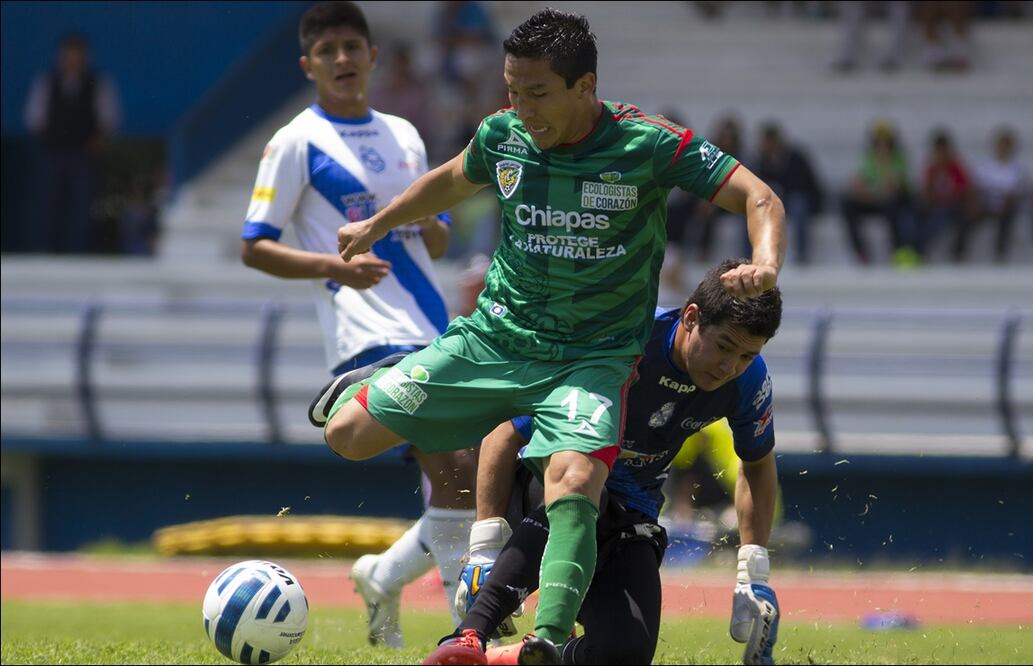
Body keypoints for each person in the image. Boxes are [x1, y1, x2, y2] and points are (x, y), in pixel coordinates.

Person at [323, 8, 785, 659]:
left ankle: (542, 641)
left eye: (535, 92)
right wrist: (375, 225)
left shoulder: (647, 144)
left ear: (584, 87)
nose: (521, 107)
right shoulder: (503, 136)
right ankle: (387, 371)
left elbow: (759, 197)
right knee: (347, 437)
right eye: (511, 90)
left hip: (592, 360)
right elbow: (449, 180)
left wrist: (764, 264)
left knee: (573, 484)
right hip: (498, 339)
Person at [239, 2, 476, 648]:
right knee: (455, 461)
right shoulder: (294, 142)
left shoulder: (404, 134)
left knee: (472, 475)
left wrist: (433, 226)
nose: (342, 59)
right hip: (367, 336)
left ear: (373, 57)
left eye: (353, 47)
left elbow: (436, 232)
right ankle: (469, 634)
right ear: (308, 64)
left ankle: (381, 575)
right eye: (328, 50)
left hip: (434, 326)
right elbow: (254, 244)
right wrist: (331, 266)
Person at [426, 261, 784, 666]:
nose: (729, 367)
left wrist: (753, 570)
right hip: (547, 483)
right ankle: (467, 637)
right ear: (691, 317)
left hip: (632, 515)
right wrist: (484, 546)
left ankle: (517, 658)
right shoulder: (622, 343)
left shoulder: (748, 381)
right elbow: (507, 432)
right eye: (723, 346)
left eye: (746, 355)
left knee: (625, 653)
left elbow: (756, 463)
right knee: (585, 487)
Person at [24, 32, 121, 254]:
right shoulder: (46, 82)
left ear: (85, 57)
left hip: (83, 155)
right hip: (53, 153)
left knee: (82, 208)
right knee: (50, 206)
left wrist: (96, 142)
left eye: (77, 56)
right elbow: (34, 118)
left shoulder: (98, 83)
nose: (72, 60)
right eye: (68, 55)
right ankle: (49, 253)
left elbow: (109, 118)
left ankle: (81, 254)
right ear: (61, 57)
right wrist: (51, 139)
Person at [839, 121, 918, 266]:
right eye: (878, 143)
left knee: (895, 207)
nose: (882, 147)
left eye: (885, 143)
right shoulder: (869, 159)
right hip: (875, 202)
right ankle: (861, 252)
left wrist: (872, 191)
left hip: (892, 205)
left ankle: (897, 251)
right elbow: (857, 185)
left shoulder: (899, 159)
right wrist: (873, 192)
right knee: (847, 204)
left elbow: (894, 188)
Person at [950, 126, 1025, 263]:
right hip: (985, 205)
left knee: (1007, 217)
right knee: (965, 215)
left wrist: (1002, 199)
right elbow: (975, 188)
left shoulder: (1016, 170)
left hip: (1004, 208)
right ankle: (958, 254)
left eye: (1005, 147)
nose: (1002, 150)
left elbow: (1016, 194)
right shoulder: (986, 166)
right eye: (1000, 146)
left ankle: (1000, 255)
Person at [754, 122, 823, 266]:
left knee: (798, 206)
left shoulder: (796, 158)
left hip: (799, 199)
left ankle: (801, 254)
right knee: (752, 209)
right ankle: (753, 254)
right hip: (775, 201)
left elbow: (805, 184)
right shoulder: (761, 161)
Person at [917, 128, 972, 261]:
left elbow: (964, 188)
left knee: (962, 218)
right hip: (936, 206)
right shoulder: (932, 168)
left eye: (944, 150)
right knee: (928, 216)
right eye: (939, 151)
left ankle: (958, 253)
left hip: (954, 205)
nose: (941, 154)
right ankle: (920, 249)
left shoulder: (956, 167)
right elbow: (926, 190)